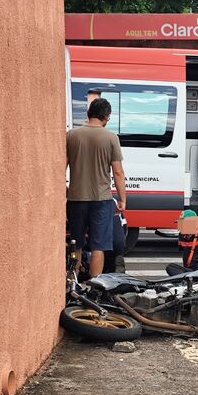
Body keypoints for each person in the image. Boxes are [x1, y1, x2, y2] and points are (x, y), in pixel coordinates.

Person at [67, 97, 126, 278]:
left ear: (88, 113)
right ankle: (94, 285)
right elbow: (117, 172)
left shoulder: (71, 135)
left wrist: (64, 190)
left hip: (76, 198)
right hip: (101, 200)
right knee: (98, 245)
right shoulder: (111, 138)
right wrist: (123, 199)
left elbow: (63, 165)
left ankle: (73, 280)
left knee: (76, 243)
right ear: (106, 117)